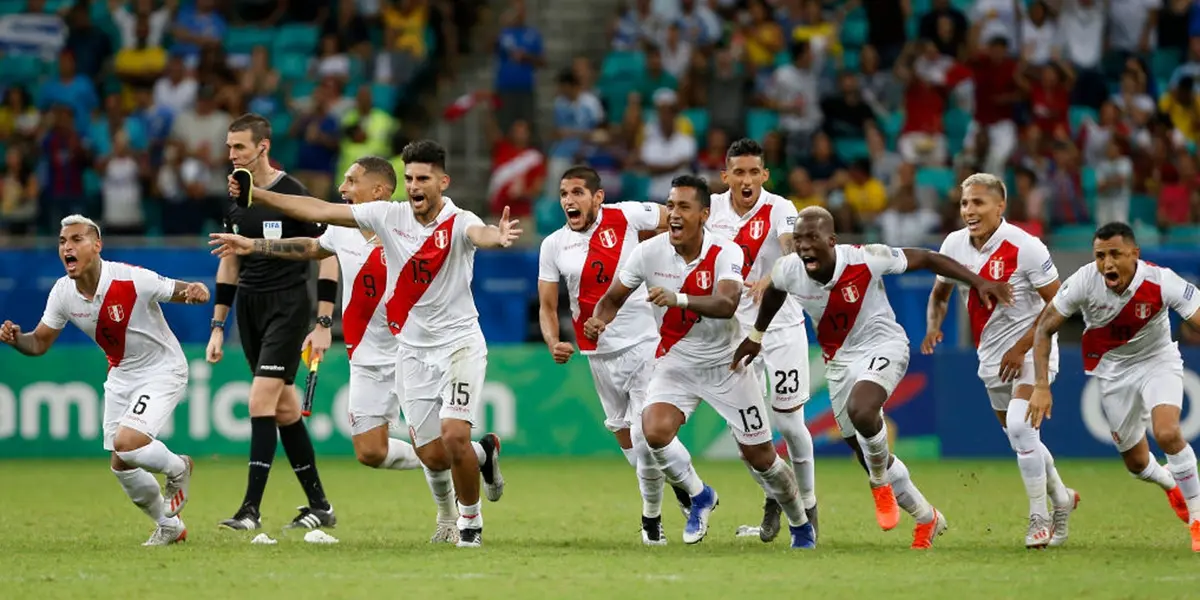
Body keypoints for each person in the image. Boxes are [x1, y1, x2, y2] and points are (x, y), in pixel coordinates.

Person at [226, 139, 518, 548]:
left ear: (442, 182)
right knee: (417, 454)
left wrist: (496, 236)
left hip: (445, 345)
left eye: (423, 178)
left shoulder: (454, 220)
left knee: (451, 438)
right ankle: (479, 456)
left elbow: (479, 232)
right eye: (411, 177)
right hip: (396, 352)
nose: (414, 185)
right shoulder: (382, 219)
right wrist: (256, 211)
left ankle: (463, 522)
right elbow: (315, 216)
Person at [735, 206, 1013, 549]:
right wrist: (758, 335)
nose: (804, 245)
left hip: (885, 344)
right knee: (860, 447)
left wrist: (980, 281)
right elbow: (775, 290)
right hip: (838, 362)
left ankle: (880, 482)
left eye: (812, 238)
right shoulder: (789, 269)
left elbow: (927, 259)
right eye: (799, 239)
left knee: (863, 411)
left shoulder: (866, 259)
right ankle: (928, 518)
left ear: (832, 240)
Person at [584, 175, 817, 549]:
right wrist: (599, 320)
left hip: (728, 366)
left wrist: (678, 299)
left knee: (761, 457)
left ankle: (800, 522)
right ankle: (699, 495)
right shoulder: (649, 252)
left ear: (704, 214)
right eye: (671, 206)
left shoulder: (726, 251)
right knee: (653, 431)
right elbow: (611, 298)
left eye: (684, 207)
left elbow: (726, 305)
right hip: (676, 364)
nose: (673, 215)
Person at [0, 215, 209, 545]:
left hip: (162, 368)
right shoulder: (62, 293)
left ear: (97, 245)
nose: (68, 247)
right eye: (62, 241)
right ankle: (169, 526)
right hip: (122, 374)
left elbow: (181, 290)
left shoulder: (131, 279)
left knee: (127, 443)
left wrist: (196, 291)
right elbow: (38, 343)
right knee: (120, 462)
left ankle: (179, 467)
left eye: (77, 239)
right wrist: (16, 339)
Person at [537, 165, 694, 545]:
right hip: (597, 355)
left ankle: (655, 518)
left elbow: (674, 219)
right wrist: (552, 340)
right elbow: (546, 305)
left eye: (577, 193)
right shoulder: (554, 244)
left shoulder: (627, 214)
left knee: (645, 438)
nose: (569, 201)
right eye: (563, 194)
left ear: (598, 197)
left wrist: (678, 263)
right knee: (630, 445)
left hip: (643, 343)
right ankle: (680, 487)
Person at [923, 172, 1078, 548]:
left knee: (1021, 428)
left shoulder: (1026, 247)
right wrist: (933, 326)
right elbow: (940, 293)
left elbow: (1059, 306)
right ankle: (1062, 497)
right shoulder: (954, 244)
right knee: (1019, 435)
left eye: (978, 203)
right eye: (964, 203)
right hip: (991, 357)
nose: (969, 211)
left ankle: (1039, 518)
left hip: (1032, 351)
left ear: (1000, 206)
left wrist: (1023, 347)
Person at [1030, 222, 1200, 552]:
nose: (1107, 263)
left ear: (1134, 254)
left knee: (1167, 433)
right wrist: (1041, 385)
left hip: (1157, 361)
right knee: (1137, 464)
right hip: (1112, 374)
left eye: (1115, 254)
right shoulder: (1082, 281)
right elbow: (1044, 328)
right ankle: (1170, 484)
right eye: (1100, 256)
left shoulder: (1160, 280)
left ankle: (1197, 518)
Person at [208, 113, 340, 531]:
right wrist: (218, 324)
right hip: (250, 306)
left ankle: (250, 510)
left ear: (263, 147)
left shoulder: (293, 194)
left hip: (288, 306)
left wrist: (323, 321)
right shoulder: (234, 197)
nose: (232, 155)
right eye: (229, 148)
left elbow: (330, 252)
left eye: (240, 147)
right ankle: (321, 507)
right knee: (284, 408)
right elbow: (229, 260)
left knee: (259, 401)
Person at [705, 138, 819, 542]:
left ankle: (807, 507)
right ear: (726, 176)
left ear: (765, 175)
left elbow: (793, 250)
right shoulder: (712, 210)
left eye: (754, 172)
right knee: (748, 438)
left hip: (781, 327)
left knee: (789, 422)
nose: (747, 179)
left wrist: (774, 276)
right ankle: (776, 494)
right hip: (733, 333)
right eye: (739, 172)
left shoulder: (780, 208)